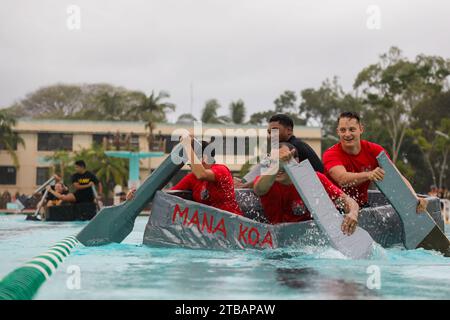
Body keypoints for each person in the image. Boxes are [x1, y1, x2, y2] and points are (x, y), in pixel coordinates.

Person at [322, 111, 427, 212]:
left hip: (362, 206)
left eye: (352, 129)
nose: (347, 134)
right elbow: (342, 179)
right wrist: (368, 175)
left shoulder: (375, 150)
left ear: (361, 129)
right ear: (338, 132)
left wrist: (414, 197)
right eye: (343, 130)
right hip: (334, 209)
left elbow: (396, 176)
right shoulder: (330, 154)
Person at [253, 143, 359, 235]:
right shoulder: (264, 181)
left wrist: (353, 213)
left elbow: (347, 200)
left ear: (296, 161)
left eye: (284, 159)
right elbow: (259, 190)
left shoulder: (313, 178)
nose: (278, 166)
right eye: (274, 161)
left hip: (308, 241)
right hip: (275, 242)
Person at [127, 135, 243, 215]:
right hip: (211, 228)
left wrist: (187, 145)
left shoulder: (221, 170)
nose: (190, 166)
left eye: (191, 161)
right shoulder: (192, 178)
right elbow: (165, 196)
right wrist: (136, 195)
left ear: (203, 158)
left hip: (233, 223)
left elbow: (201, 174)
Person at [235, 114, 324, 188]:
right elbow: (265, 167)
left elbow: (271, 175)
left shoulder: (294, 146)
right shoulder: (284, 147)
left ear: (289, 131)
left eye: (275, 131)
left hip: (318, 193)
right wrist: (243, 182)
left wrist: (244, 186)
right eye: (269, 132)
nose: (271, 136)